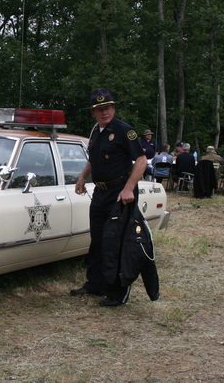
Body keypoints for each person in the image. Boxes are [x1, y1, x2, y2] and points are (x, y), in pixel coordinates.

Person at [71, 88, 147, 307]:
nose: (104, 113)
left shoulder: (124, 130)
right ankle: (94, 284)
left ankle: (118, 292)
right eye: (99, 110)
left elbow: (141, 160)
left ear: (113, 108)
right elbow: (93, 160)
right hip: (101, 192)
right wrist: (82, 178)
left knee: (116, 241)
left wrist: (129, 188)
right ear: (93, 113)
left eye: (108, 108)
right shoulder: (96, 131)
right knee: (97, 239)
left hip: (120, 193)